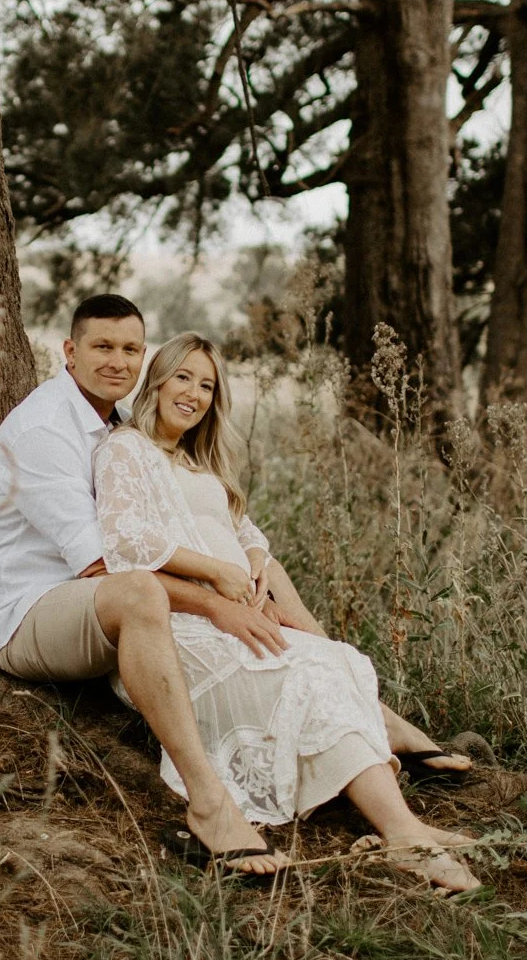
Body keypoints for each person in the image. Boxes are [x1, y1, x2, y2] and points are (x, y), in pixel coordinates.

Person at [93, 333, 480, 893]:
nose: (194, 394)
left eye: (207, 386)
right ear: (157, 380)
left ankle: (403, 828)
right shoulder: (126, 449)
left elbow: (244, 529)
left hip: (233, 614)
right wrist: (217, 573)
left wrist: (252, 558)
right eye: (183, 378)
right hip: (177, 624)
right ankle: (402, 830)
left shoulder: (199, 460)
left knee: (330, 665)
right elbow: (126, 543)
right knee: (308, 672)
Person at [0, 294, 292, 877]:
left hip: (93, 606)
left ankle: (354, 711)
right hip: (27, 614)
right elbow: (103, 566)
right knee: (142, 591)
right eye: (102, 346)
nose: (117, 361)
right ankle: (210, 804)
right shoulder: (45, 430)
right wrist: (215, 603)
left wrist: (245, 575)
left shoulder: (117, 425)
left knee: (264, 574)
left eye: (130, 349)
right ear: (69, 352)